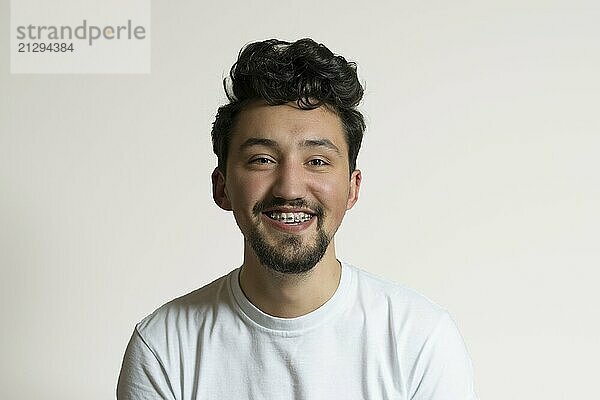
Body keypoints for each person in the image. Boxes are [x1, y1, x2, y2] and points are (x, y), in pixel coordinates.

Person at [117, 38, 478, 400]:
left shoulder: (421, 341)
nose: (289, 188)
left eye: (317, 161)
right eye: (262, 159)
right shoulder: (164, 348)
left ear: (352, 188)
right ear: (222, 187)